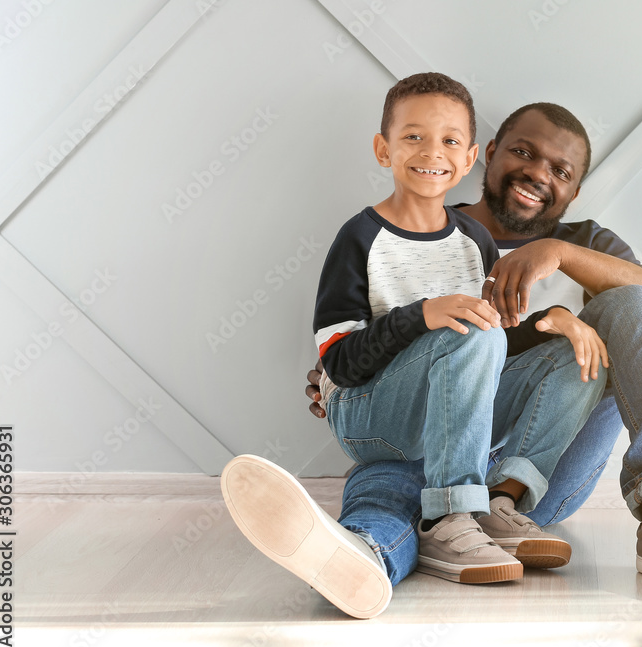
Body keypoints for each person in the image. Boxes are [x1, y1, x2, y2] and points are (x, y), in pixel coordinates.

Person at [305, 102, 642, 599]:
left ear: (574, 192)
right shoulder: (438, 232)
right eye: (523, 153)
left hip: (538, 468)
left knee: (631, 305)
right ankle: (363, 558)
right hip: (424, 443)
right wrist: (336, 377)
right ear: (488, 154)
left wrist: (560, 255)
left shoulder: (587, 243)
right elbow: (372, 345)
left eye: (560, 171)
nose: (536, 173)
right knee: (391, 489)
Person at [221, 75, 608, 619]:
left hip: (447, 424)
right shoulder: (359, 237)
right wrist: (420, 316)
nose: (432, 152)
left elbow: (494, 339)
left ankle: (494, 502)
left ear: (471, 156)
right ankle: (451, 516)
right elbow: (340, 363)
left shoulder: (475, 242)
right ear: (384, 149)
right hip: (371, 412)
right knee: (470, 330)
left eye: (450, 141)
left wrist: (557, 319)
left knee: (575, 349)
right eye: (413, 138)